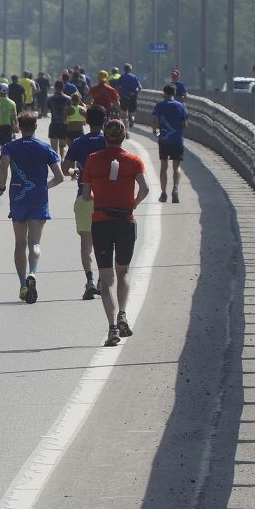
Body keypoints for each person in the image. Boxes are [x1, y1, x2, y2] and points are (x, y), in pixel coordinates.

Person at [82, 120, 151, 346]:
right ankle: (123, 313)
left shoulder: (92, 159)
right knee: (123, 272)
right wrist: (132, 204)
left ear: (105, 135)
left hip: (101, 222)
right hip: (125, 222)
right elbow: (145, 188)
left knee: (106, 278)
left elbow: (85, 196)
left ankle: (112, 328)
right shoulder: (133, 160)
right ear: (123, 136)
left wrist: (99, 201)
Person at [0, 112, 64, 304]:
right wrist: (45, 186)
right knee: (34, 243)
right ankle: (32, 273)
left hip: (18, 198)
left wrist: (2, 186)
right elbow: (59, 177)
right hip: (38, 199)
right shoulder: (45, 148)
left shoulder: (10, 147)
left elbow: (3, 166)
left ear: (19, 127)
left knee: (19, 244)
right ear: (35, 127)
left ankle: (22, 284)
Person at [64, 105, 110, 301]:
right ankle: (101, 279)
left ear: (86, 121)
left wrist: (76, 173)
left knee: (86, 243)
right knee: (105, 242)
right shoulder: (108, 141)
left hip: (84, 196)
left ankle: (90, 281)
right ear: (104, 120)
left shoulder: (77, 142)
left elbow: (66, 168)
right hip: (106, 198)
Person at [153, 83, 189, 203]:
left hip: (164, 139)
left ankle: (163, 193)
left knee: (164, 166)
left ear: (164, 93)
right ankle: (175, 188)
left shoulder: (160, 105)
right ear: (174, 94)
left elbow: (155, 121)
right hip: (177, 140)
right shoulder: (181, 106)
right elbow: (185, 125)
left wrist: (155, 131)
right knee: (177, 167)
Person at [116, 62, 142, 131]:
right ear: (130, 69)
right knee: (132, 113)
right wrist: (135, 93)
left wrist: (119, 93)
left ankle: (125, 128)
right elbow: (139, 87)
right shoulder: (134, 77)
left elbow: (117, 86)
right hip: (133, 97)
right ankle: (132, 120)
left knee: (124, 115)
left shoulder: (122, 77)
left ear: (124, 69)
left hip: (124, 97)